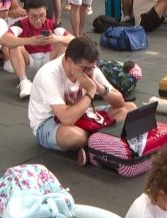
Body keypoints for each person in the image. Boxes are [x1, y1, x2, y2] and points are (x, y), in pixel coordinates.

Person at [27, 36, 136, 164]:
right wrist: (90, 92)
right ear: (69, 61)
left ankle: (96, 146)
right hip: (49, 122)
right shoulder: (49, 74)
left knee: (130, 109)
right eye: (84, 68)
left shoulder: (89, 69)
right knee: (75, 136)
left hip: (83, 115)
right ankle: (106, 143)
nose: (88, 72)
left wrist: (99, 88)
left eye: (91, 68)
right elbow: (66, 119)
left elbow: (120, 102)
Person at [0, 0, 73, 99]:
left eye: (41, 16)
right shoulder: (21, 24)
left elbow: (73, 40)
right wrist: (30, 40)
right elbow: (3, 39)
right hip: (29, 63)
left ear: (46, 13)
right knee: (14, 44)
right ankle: (24, 81)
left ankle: (58, 79)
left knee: (64, 43)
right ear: (27, 14)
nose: (38, 20)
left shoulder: (51, 24)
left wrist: (56, 38)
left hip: (48, 62)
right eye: (34, 16)